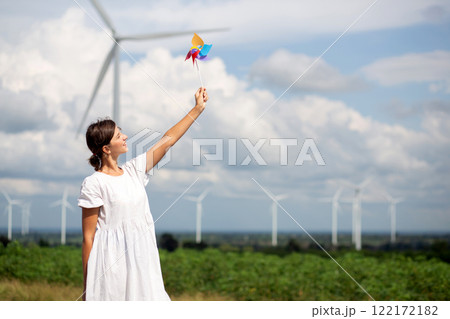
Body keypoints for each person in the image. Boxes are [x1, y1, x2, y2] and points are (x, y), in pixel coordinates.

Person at [78, 87, 208, 301]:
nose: (126, 136)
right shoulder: (94, 183)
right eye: (119, 135)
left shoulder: (134, 171)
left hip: (142, 261)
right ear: (107, 149)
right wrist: (87, 287)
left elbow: (168, 141)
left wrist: (197, 109)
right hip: (111, 269)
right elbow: (88, 237)